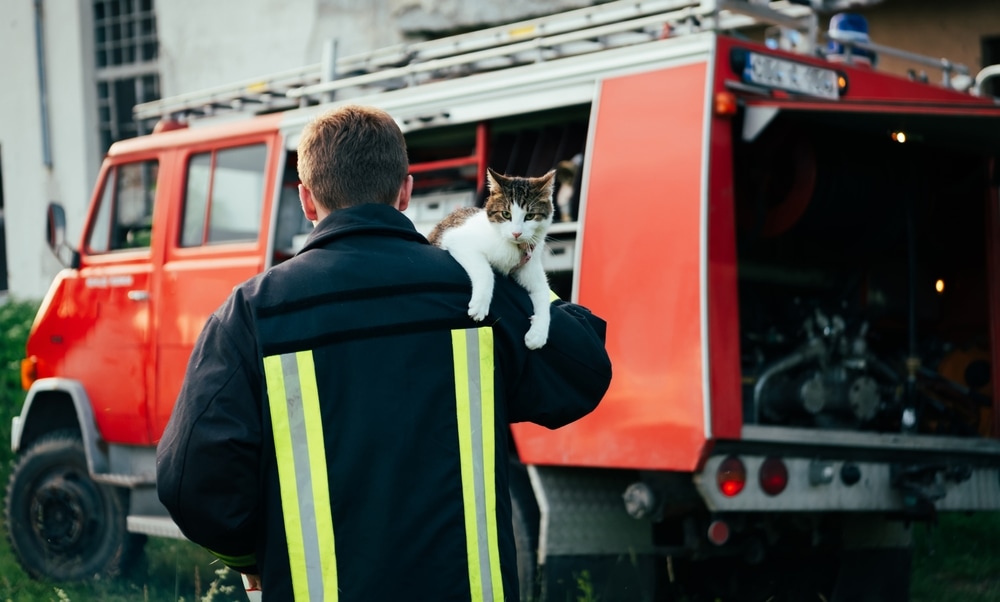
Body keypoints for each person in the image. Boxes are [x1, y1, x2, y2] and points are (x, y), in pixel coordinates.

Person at [155, 104, 612, 601]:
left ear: (307, 201)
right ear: (406, 192)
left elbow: (189, 485)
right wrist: (531, 282)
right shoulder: (473, 291)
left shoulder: (251, 313)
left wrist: (253, 557)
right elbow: (583, 371)